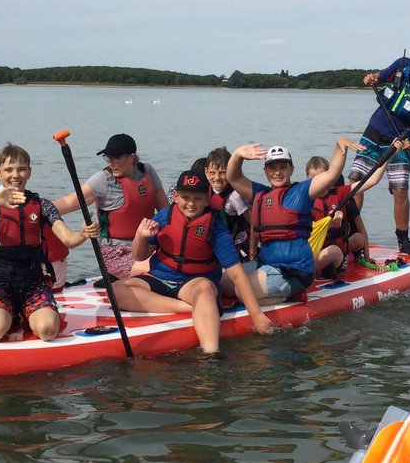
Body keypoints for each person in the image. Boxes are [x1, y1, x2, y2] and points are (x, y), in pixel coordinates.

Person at [112, 169, 272, 356]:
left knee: (204, 289)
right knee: (115, 291)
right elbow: (140, 256)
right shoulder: (164, 217)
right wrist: (140, 236)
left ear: (207, 199)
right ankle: (188, 308)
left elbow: (236, 273)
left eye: (197, 199)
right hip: (160, 278)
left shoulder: (215, 228)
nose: (190, 203)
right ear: (176, 196)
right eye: (185, 197)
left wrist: (257, 315)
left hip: (193, 283)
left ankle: (211, 356)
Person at [0, 143, 97, 342]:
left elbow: (69, 239)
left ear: (29, 172)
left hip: (34, 284)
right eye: (8, 170)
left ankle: (26, 312)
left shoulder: (42, 205)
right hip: (0, 284)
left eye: (21, 169)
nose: (15, 175)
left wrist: (84, 233)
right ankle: (6, 315)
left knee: (48, 331)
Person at [227, 137, 374, 303]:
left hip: (294, 271)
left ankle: (290, 295)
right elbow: (233, 178)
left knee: (241, 291)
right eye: (272, 168)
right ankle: (264, 289)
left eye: (283, 167)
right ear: (265, 171)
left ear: (291, 169)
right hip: (265, 264)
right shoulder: (260, 194)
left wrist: (340, 145)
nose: (277, 172)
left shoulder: (302, 192)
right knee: (223, 282)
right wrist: (238, 154)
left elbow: (332, 174)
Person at [350, 36, 410, 257]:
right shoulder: (403, 65)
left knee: (400, 191)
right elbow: (378, 77)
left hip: (400, 143)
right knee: (356, 183)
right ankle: (350, 231)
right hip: (373, 132)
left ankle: (403, 240)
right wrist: (371, 78)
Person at [54, 133, 167, 280]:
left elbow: (166, 212)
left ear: (132, 157)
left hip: (147, 247)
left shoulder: (147, 171)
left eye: (116, 158)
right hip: (116, 252)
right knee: (160, 271)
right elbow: (68, 203)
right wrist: (32, 206)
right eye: (108, 158)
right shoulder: (103, 180)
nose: (110, 163)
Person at [304, 157, 368, 278]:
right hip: (314, 249)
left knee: (358, 239)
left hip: (336, 248)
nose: (318, 183)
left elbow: (361, 229)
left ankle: (336, 262)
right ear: (307, 176)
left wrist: (368, 258)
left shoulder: (342, 197)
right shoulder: (303, 198)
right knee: (332, 251)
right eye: (313, 179)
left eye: (322, 178)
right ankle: (316, 269)